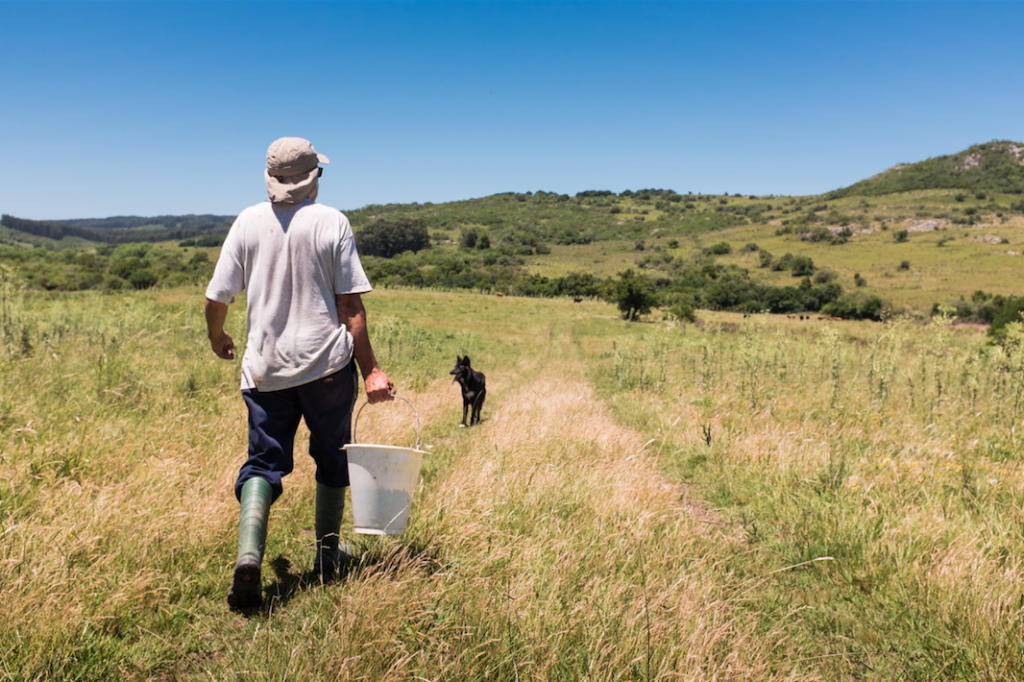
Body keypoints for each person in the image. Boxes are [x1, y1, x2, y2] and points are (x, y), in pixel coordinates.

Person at [204, 137, 394, 610]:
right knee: (332, 457)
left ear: (269, 177)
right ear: (315, 177)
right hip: (327, 367)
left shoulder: (247, 221)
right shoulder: (332, 221)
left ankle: (249, 555)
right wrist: (370, 370)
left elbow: (216, 298)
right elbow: (349, 306)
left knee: (263, 464)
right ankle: (328, 557)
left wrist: (217, 337)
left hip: (265, 370)